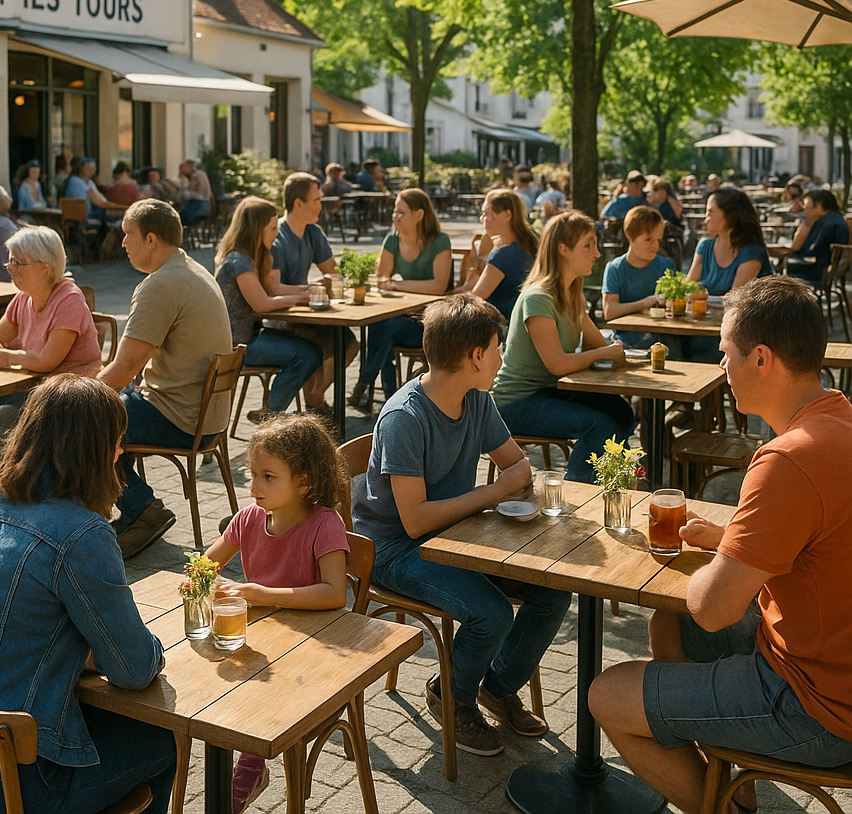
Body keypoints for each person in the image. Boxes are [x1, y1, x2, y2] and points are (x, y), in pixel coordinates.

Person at [589, 277, 852, 814]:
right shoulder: (838, 417)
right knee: (667, 623)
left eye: (725, 353)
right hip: (833, 662)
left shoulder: (787, 460)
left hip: (820, 707)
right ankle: (735, 785)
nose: (721, 368)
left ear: (761, 358)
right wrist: (734, 543)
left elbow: (711, 610)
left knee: (605, 694)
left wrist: (709, 564)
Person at [0, 375, 177, 814]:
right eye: (115, 441)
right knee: (161, 740)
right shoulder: (83, 535)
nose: (120, 452)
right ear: (91, 449)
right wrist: (149, 648)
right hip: (10, 781)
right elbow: (133, 670)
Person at [352, 295, 571, 754]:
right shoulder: (405, 418)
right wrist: (492, 493)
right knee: (491, 613)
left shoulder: (476, 399)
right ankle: (452, 697)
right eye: (497, 348)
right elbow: (414, 522)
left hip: (454, 535)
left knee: (553, 589)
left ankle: (496, 685)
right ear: (475, 356)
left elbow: (519, 467)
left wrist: (500, 488)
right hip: (392, 550)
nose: (501, 358)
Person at [202, 414, 350, 814]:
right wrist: (199, 581)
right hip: (264, 639)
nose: (254, 486)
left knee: (260, 694)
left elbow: (335, 594)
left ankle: (249, 768)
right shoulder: (249, 517)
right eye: (252, 474)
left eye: (269, 476)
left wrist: (260, 592)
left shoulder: (325, 524)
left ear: (304, 482)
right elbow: (206, 564)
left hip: (317, 651)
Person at [97, 200, 234, 558]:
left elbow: (125, 367)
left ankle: (142, 511)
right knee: (107, 407)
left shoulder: (160, 284)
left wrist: (75, 396)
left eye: (127, 234)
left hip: (181, 418)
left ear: (151, 239)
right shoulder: (194, 269)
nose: (122, 242)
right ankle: (136, 509)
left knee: (85, 423)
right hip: (207, 416)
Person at [0, 226, 101, 524]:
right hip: (32, 389)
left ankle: (9, 501)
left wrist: (10, 356)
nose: (10, 268)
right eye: (10, 261)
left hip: (68, 397)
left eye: (18, 262)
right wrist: (6, 353)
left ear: (45, 267)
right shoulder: (23, 298)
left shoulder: (69, 298)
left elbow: (48, 360)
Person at [491, 211, 635, 483]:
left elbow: (597, 344)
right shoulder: (538, 298)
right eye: (588, 245)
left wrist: (610, 350)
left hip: (550, 390)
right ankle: (577, 492)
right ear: (563, 249)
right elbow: (557, 364)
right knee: (599, 425)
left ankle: (614, 481)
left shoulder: (571, 293)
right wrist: (605, 353)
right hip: (515, 402)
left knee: (621, 413)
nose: (597, 253)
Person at [214, 197, 322, 420]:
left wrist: (306, 291)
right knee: (308, 353)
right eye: (272, 228)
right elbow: (262, 303)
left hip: (251, 337)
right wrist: (300, 299)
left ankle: (273, 411)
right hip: (238, 346)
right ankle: (271, 414)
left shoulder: (251, 257)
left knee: (311, 344)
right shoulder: (239, 262)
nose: (277, 233)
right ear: (255, 230)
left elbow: (272, 291)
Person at [348, 188, 453, 407]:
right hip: (399, 316)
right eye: (394, 211)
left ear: (419, 214)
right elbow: (381, 277)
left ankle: (365, 385)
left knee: (386, 329)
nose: (394, 216)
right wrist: (385, 281)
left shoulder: (439, 241)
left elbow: (438, 286)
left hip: (429, 325)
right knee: (381, 327)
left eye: (401, 212)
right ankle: (390, 399)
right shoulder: (392, 239)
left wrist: (397, 284)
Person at [266, 173, 358, 416]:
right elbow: (272, 289)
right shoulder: (277, 238)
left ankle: (315, 395)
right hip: (284, 318)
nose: (321, 204)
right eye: (317, 200)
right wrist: (315, 287)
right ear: (299, 203)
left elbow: (335, 273)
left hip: (310, 312)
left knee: (349, 343)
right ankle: (312, 403)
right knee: (318, 343)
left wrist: (329, 282)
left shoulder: (314, 233)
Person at [455, 188, 538, 320]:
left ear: (506, 215)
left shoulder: (503, 255)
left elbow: (476, 298)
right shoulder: (528, 244)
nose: (482, 219)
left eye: (486, 213)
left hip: (501, 323)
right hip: (523, 317)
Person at [602, 206, 678, 350]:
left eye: (658, 239)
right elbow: (609, 311)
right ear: (630, 236)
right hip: (628, 341)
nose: (655, 246)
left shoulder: (666, 265)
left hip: (664, 339)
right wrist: (645, 303)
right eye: (648, 239)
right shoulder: (615, 268)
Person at [687, 188, 770, 297]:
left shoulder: (751, 252)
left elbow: (735, 301)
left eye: (711, 212)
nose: (705, 220)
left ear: (731, 216)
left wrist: (700, 299)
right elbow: (687, 286)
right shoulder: (705, 246)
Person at [785, 188, 848, 282]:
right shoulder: (836, 219)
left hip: (818, 270)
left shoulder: (826, 223)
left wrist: (794, 252)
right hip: (827, 268)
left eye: (807, 207)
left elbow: (813, 249)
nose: (805, 209)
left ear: (819, 205)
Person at [65, 157, 112, 223]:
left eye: (93, 169)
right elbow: (94, 199)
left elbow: (100, 198)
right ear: (82, 169)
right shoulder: (75, 181)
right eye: (90, 169)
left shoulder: (89, 182)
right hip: (80, 217)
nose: (93, 172)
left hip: (89, 213)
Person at [178, 159, 213, 226]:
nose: (180, 171)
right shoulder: (202, 173)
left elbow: (188, 195)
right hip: (206, 206)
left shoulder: (195, 176)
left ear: (188, 167)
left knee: (179, 216)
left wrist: (184, 184)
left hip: (198, 207)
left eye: (182, 168)